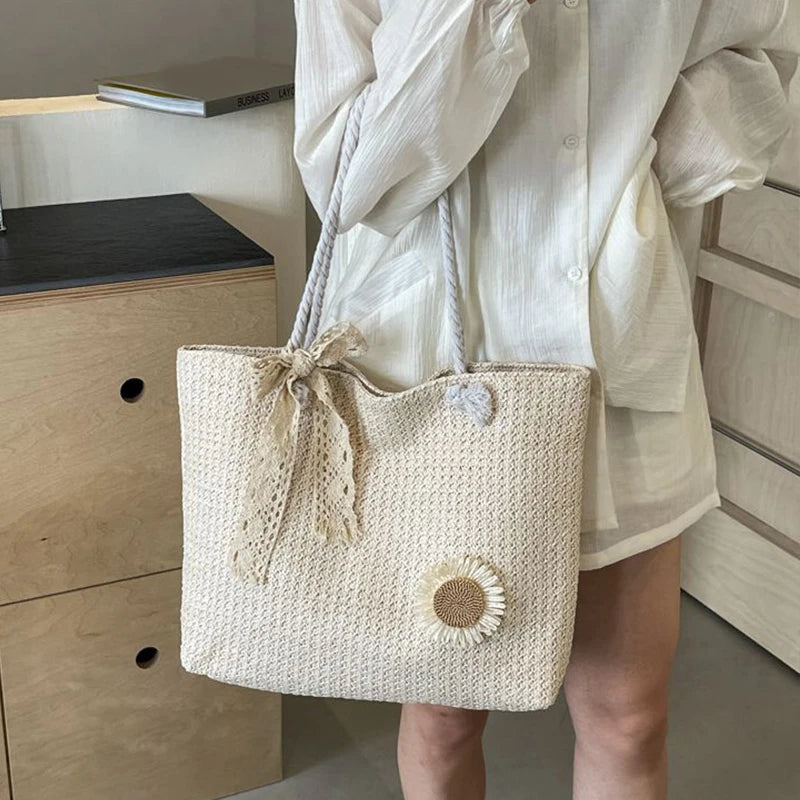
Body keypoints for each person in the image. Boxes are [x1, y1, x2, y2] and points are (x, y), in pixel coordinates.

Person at [291, 1, 799, 798]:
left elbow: (761, 51)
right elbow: (348, 179)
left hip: (613, 335)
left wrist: (630, 167)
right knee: (445, 709)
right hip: (435, 358)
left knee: (628, 716)